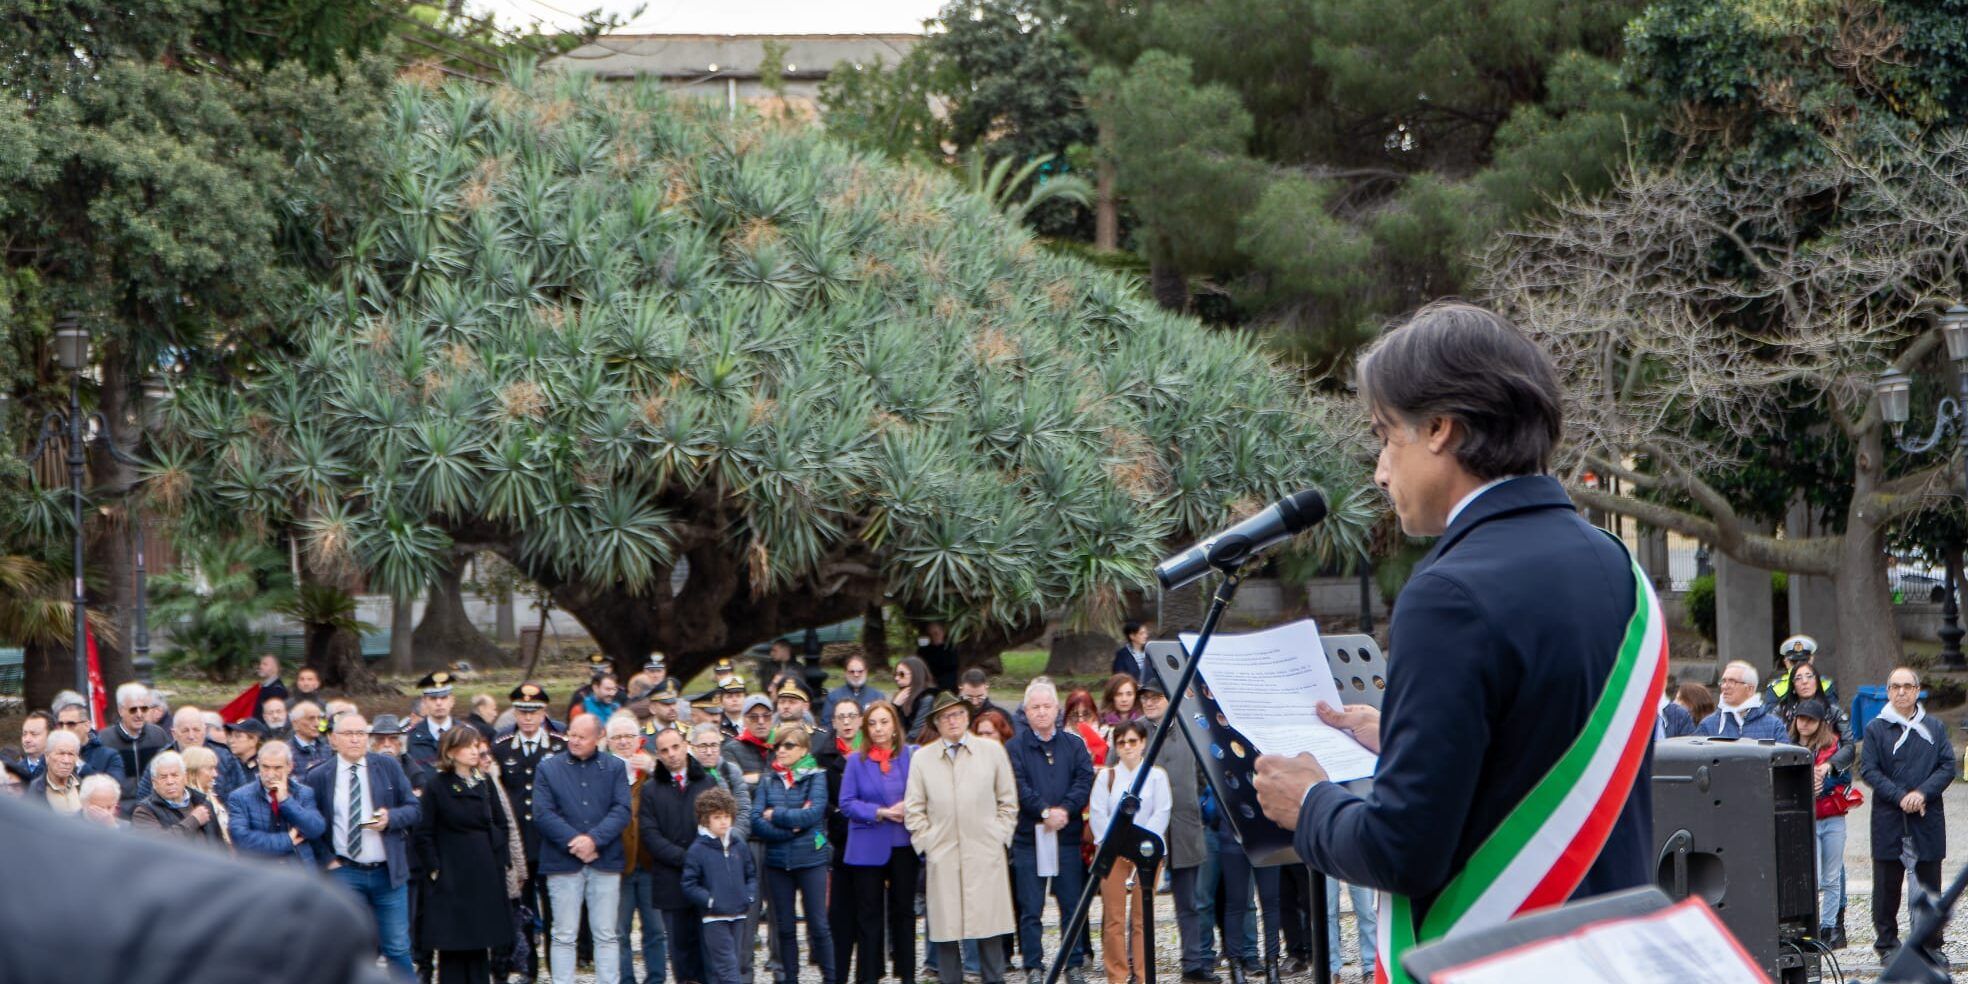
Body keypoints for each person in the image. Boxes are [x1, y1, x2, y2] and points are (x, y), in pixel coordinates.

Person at [1252, 302, 1666, 983]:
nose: (1381, 471)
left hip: (1498, 964)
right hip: (1611, 957)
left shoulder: (1449, 594)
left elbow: (1403, 852)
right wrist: (1403, 738)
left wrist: (1312, 803)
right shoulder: (1620, 569)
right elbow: (1539, 743)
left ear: (1440, 429)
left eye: (1387, 437)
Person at [0, 791, 396, 984]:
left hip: (363, 875)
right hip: (307, 887)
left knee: (397, 948)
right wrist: (282, 843)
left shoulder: (303, 791)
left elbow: (316, 826)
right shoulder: (232, 799)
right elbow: (241, 837)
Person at [906, 693, 1018, 984]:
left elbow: (1008, 802)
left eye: (957, 714)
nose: (952, 721)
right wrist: (928, 844)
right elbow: (914, 810)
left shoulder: (992, 751)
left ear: (968, 717)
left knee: (990, 933)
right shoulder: (922, 759)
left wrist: (999, 836)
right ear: (936, 723)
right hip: (943, 856)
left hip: (985, 854)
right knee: (946, 935)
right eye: (945, 716)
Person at [303, 712, 424, 980]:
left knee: (397, 946)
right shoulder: (319, 775)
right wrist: (327, 859)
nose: (356, 739)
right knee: (352, 947)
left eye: (360, 733)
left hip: (387, 871)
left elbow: (414, 809)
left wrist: (390, 818)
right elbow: (311, 824)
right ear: (334, 739)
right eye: (349, 734)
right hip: (345, 870)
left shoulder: (387, 766)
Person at [1860, 666, 1954, 966]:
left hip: (1926, 814)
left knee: (1928, 884)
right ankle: (1887, 944)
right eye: (1895, 687)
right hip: (1889, 815)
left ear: (1917, 690)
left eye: (1907, 686)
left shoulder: (1934, 727)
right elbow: (1869, 770)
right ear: (1888, 692)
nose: (1901, 692)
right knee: (1887, 885)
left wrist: (1922, 793)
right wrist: (1901, 796)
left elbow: (1947, 766)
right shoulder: (1876, 728)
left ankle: (1930, 944)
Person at [1005, 678, 1095, 984]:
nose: (1042, 712)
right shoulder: (1014, 747)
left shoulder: (1074, 744)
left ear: (1057, 709)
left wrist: (1065, 810)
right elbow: (1018, 785)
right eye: (1035, 707)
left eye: (1047, 706)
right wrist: (1044, 811)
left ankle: (1073, 963)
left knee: (1071, 904)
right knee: (1031, 907)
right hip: (1029, 838)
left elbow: (1084, 780)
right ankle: (1034, 964)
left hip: (1066, 837)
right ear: (1026, 711)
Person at [535, 714, 633, 984]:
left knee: (606, 933)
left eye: (582, 737)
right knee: (563, 934)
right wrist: (575, 842)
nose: (574, 741)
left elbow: (622, 810)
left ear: (599, 737)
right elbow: (543, 813)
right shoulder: (549, 768)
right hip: (562, 861)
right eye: (572, 735)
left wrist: (594, 840)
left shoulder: (614, 767)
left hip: (604, 859)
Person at [414, 727, 513, 984]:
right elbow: (424, 832)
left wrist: (497, 859)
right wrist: (434, 868)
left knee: (480, 939)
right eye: (468, 746)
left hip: (484, 872)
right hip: (451, 874)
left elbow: (502, 823)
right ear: (450, 752)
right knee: (454, 943)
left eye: (476, 746)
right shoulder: (437, 786)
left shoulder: (484, 782)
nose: (474, 751)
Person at [1138, 680, 1218, 984]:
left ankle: (1193, 963)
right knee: (1140, 904)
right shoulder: (1134, 732)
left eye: (1155, 696)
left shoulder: (1189, 729)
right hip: (1146, 829)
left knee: (1190, 902)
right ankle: (1137, 964)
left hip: (1185, 825)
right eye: (1145, 697)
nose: (1149, 702)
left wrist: (1190, 803)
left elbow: (1203, 775)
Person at [839, 700, 920, 984]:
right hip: (868, 846)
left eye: (884, 722)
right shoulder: (856, 762)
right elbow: (847, 803)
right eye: (872, 724)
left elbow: (925, 793)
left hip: (904, 844)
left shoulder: (912, 756)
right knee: (869, 915)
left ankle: (907, 975)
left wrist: (909, 807)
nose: (878, 729)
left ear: (895, 726)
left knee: (904, 912)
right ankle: (869, 976)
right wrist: (880, 812)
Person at [753, 724, 836, 984]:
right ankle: (790, 978)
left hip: (811, 860)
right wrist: (791, 830)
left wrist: (776, 814)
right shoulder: (768, 780)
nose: (781, 750)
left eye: (788, 745)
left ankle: (831, 978)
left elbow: (812, 814)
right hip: (778, 863)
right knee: (785, 927)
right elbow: (756, 820)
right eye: (778, 745)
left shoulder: (816, 777)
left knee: (818, 926)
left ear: (803, 750)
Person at [1089, 720, 1171, 984]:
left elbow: (1161, 812)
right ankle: (1117, 975)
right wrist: (1117, 846)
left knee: (1142, 918)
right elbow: (1099, 815)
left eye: (1133, 741)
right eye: (1121, 742)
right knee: (1113, 918)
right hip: (1113, 854)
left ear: (1143, 743)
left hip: (1146, 855)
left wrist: (1140, 847)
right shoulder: (1107, 777)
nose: (1127, 747)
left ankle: (1143, 975)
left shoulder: (1157, 776)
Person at [496, 683, 565, 981]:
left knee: (555, 912)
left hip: (550, 842)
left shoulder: (559, 745)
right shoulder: (501, 746)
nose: (527, 717)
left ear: (544, 712)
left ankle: (558, 968)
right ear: (514, 712)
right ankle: (529, 969)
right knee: (523, 910)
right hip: (520, 845)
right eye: (522, 711)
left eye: (533, 711)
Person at [640, 726, 719, 984]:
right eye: (664, 750)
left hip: (705, 876)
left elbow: (718, 824)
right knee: (680, 948)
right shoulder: (651, 789)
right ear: (658, 755)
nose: (671, 754)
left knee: (709, 945)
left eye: (675, 747)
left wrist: (699, 858)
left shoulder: (707, 782)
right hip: (670, 878)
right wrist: (684, 858)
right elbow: (650, 835)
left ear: (686, 745)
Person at [1785, 698, 1854, 948]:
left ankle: (1827, 928)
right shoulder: (1788, 747)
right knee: (1810, 877)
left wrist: (1824, 781)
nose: (1804, 724)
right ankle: (1810, 926)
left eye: (1810, 720)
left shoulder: (1833, 748)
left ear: (1820, 723)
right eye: (1801, 719)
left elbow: (1846, 779)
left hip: (1832, 816)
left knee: (1832, 877)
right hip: (1806, 818)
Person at [609, 711, 669, 984]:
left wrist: (655, 767)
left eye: (629, 736)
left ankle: (656, 978)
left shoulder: (653, 768)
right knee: (619, 931)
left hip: (650, 861)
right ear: (609, 741)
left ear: (639, 739)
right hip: (617, 863)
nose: (623, 742)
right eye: (617, 737)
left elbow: (676, 788)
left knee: (655, 929)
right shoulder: (602, 770)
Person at [685, 788, 758, 984]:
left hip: (739, 914)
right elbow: (689, 884)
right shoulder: (698, 849)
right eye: (717, 817)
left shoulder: (739, 845)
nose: (723, 821)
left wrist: (748, 896)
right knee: (728, 969)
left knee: (728, 966)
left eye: (726, 816)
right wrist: (710, 901)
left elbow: (751, 875)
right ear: (705, 819)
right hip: (715, 918)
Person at [228, 740, 326, 865]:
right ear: (258, 764)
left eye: (277, 768)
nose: (270, 774)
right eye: (265, 767)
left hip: (298, 868)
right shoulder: (240, 797)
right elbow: (240, 839)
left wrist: (286, 801)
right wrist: (287, 840)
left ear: (290, 767)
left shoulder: (303, 793)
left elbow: (315, 829)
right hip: (260, 869)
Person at [100, 682, 172, 810]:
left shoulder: (158, 735)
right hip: (119, 809)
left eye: (143, 709)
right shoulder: (105, 740)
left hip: (155, 807)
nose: (139, 714)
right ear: (121, 710)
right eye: (133, 709)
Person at [131, 751, 226, 845]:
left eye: (175, 775)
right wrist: (194, 820)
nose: (170, 781)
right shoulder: (144, 812)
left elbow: (220, 845)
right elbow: (157, 846)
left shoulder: (203, 803)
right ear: (154, 783)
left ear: (185, 777)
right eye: (163, 777)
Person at [691, 722, 754, 839]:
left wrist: (733, 837)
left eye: (713, 745)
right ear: (693, 747)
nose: (709, 752)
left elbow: (744, 809)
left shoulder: (731, 771)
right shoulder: (688, 774)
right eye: (703, 746)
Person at [1696, 661, 1787, 740]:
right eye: (1723, 681)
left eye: (1732, 681)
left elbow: (1784, 754)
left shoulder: (1773, 726)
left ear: (1750, 689)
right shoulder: (1708, 725)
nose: (1725, 686)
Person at [1777, 662, 1853, 744]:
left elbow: (1848, 744)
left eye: (1809, 676)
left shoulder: (1832, 711)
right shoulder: (1781, 711)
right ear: (1793, 685)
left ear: (1817, 682)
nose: (1805, 681)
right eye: (1798, 678)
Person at [181, 744, 235, 849]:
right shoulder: (185, 802)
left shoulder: (211, 797)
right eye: (210, 768)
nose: (215, 774)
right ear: (193, 771)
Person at [407, 671, 465, 769]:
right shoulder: (411, 737)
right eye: (433, 698)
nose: (439, 703)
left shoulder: (464, 734)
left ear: (452, 700)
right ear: (424, 701)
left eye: (444, 697)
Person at [1765, 634, 1835, 705]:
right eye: (1794, 662)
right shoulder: (1777, 688)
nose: (1799, 667)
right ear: (1786, 662)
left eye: (1803, 661)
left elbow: (1834, 710)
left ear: (1811, 660)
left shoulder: (1825, 685)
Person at [26, 728, 84, 813]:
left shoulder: (84, 787)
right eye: (61, 753)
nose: (66, 761)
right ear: (47, 756)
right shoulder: (35, 790)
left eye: (71, 754)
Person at [822, 655, 887, 726]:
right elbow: (827, 724)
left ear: (866, 672)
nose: (856, 675)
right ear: (845, 673)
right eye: (852, 672)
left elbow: (884, 722)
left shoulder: (877, 697)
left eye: (860, 671)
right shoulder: (833, 697)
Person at [891, 656, 938, 739]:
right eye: (895, 674)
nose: (896, 678)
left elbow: (915, 734)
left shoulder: (928, 698)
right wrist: (895, 705)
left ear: (915, 674)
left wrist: (895, 707)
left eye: (901, 674)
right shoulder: (901, 696)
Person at [1062, 688, 1108, 766]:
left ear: (1094, 714)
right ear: (1067, 717)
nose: (1081, 720)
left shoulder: (1106, 735)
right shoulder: (1061, 740)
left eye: (1086, 714)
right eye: (1075, 715)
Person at [290, 699, 333, 775]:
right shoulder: (286, 752)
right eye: (311, 719)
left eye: (319, 718)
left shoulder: (328, 750)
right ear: (295, 724)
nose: (317, 724)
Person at [6, 710, 51, 782]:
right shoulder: (13, 773)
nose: (27, 740)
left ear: (50, 736)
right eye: (24, 734)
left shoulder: (61, 769)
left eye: (34, 734)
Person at [917, 622, 961, 692]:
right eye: (930, 635)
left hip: (947, 687)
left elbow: (951, 670)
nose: (933, 637)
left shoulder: (951, 649)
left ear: (943, 632)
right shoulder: (923, 651)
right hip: (928, 687)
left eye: (936, 633)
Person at [253, 653, 291, 720]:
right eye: (260, 664)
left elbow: (274, 717)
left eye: (265, 664)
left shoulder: (277, 690)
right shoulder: (266, 687)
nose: (260, 666)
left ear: (275, 669)